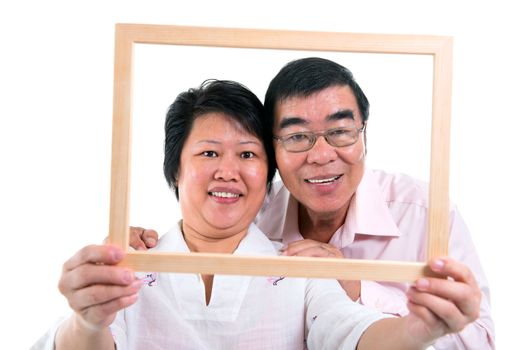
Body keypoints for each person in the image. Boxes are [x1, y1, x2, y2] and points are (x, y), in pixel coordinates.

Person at [39, 79, 475, 350]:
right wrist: (87, 316)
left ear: (270, 176)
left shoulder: (298, 268)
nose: (227, 171)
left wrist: (420, 329)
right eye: (208, 152)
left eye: (247, 154)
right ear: (174, 170)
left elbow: (354, 334)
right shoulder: (132, 264)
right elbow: (92, 339)